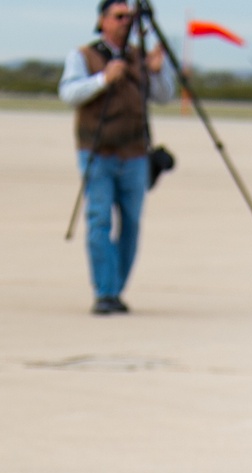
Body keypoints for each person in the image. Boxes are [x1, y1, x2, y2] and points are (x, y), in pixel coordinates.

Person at [59, 2, 175, 314]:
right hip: (97, 152)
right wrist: (103, 80)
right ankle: (105, 291)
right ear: (103, 20)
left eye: (130, 17)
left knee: (132, 223)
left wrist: (158, 70)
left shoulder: (140, 57)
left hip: (135, 154)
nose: (126, 22)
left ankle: (115, 288)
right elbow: (68, 94)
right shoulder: (83, 55)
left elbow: (164, 96)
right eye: (119, 16)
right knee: (99, 218)